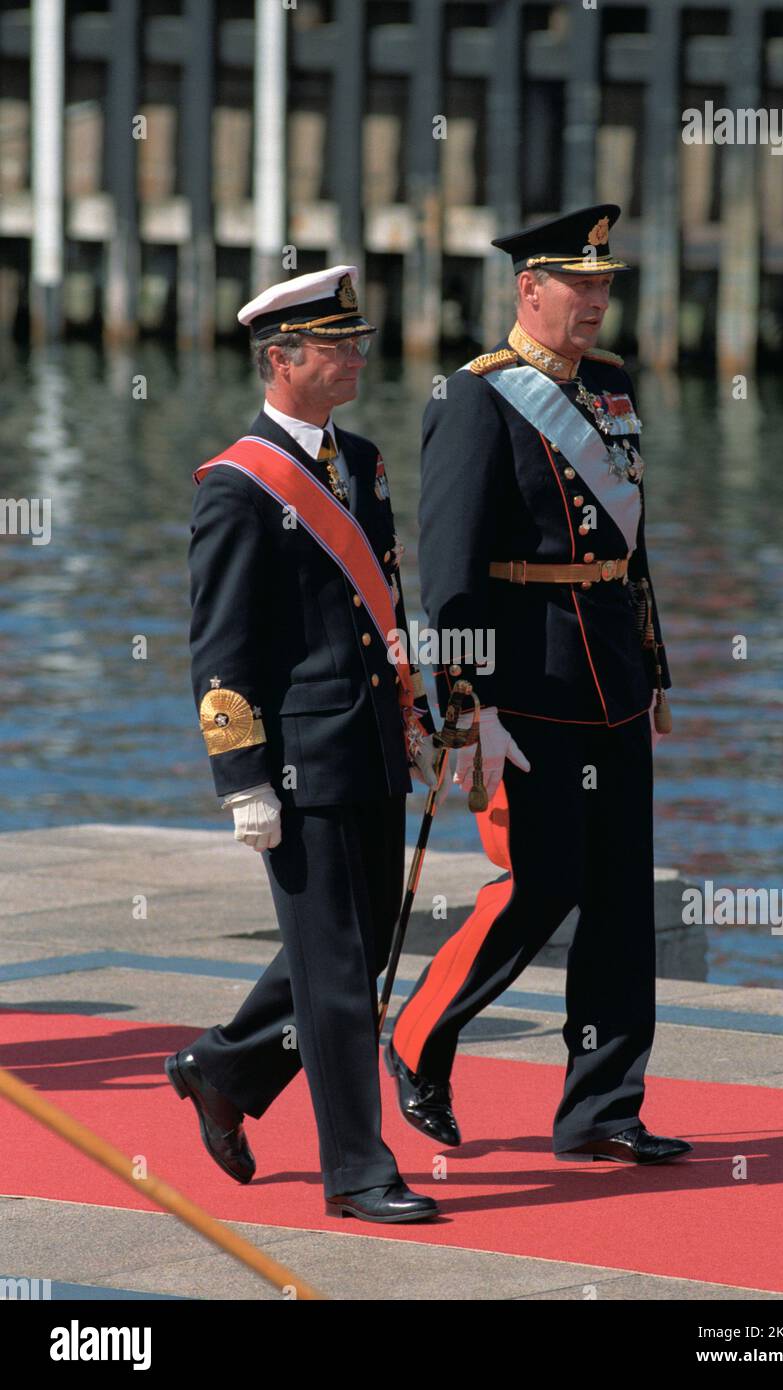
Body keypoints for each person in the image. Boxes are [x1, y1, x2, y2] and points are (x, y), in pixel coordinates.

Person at [386, 206, 693, 1166]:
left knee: (618, 899)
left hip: (609, 676)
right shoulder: (476, 398)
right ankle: (416, 1033)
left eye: (604, 285)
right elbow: (450, 565)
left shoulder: (606, 386)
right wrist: (462, 703)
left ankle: (603, 1108)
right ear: (529, 289)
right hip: (527, 680)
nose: (597, 301)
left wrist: (652, 665)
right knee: (540, 881)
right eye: (580, 285)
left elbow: (627, 548)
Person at [167, 265, 444, 1222]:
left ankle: (223, 1066)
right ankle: (359, 1171)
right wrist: (241, 777)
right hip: (299, 762)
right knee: (332, 976)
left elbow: (385, 607)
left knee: (350, 951)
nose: (357, 356)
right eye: (338, 345)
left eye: (356, 341)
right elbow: (221, 648)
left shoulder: (359, 461)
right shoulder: (237, 487)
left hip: (368, 744)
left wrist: (415, 720)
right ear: (282, 359)